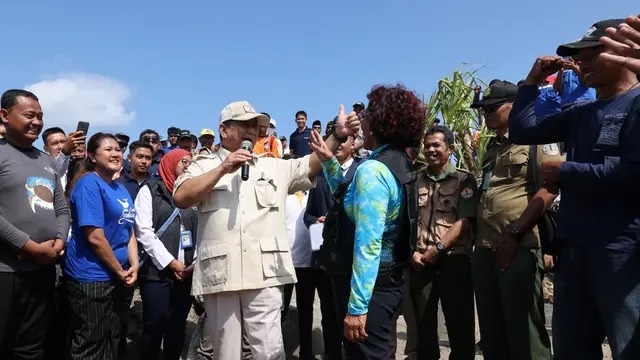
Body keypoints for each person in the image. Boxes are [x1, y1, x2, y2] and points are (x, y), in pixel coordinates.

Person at [172, 100, 359, 359]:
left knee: (268, 350)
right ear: (223, 130)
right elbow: (182, 196)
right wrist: (223, 168)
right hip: (221, 276)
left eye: (255, 126)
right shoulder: (204, 164)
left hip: (265, 274)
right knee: (226, 351)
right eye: (244, 124)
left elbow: (311, 163)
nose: (252, 130)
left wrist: (338, 135)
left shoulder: (273, 166)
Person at [510, 18, 640, 360]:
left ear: (623, 54)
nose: (580, 62)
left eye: (590, 53)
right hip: (575, 250)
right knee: (571, 350)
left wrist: (566, 169)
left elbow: (634, 175)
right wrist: (532, 81)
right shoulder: (583, 113)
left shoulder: (637, 104)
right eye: (577, 56)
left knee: (629, 347)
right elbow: (522, 130)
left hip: (621, 251)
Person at [309, 84, 423, 359]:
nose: (362, 120)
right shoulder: (397, 162)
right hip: (390, 281)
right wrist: (329, 163)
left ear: (380, 123)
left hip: (371, 290)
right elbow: (352, 201)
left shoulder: (373, 170)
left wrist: (358, 308)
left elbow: (368, 243)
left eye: (368, 114)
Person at [0, 89, 70, 359]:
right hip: (6, 272)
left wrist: (59, 242)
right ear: (4, 116)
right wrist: (26, 245)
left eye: (40, 116)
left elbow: (62, 208)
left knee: (31, 350)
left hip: (42, 272)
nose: (37, 122)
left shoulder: (46, 161)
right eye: (29, 115)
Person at [64, 132, 139, 360]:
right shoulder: (89, 184)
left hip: (121, 274)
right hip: (92, 275)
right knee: (91, 340)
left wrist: (134, 264)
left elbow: (129, 230)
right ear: (92, 156)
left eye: (118, 149)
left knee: (112, 337)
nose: (115, 153)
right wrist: (119, 270)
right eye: (108, 149)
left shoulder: (119, 188)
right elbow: (95, 237)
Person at [409, 125, 478, 360]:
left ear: (450, 148)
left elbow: (465, 222)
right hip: (420, 263)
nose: (430, 150)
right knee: (424, 327)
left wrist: (437, 250)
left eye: (436, 145)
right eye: (427, 145)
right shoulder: (415, 181)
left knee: (460, 326)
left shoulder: (464, 180)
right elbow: (407, 221)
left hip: (453, 261)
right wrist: (413, 253)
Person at [135, 148, 198, 360]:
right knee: (154, 326)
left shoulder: (195, 192)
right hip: (156, 272)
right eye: (183, 162)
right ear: (170, 163)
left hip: (185, 274)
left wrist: (191, 266)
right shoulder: (150, 190)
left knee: (177, 327)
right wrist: (171, 263)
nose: (188, 167)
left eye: (191, 163)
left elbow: (204, 230)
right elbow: (144, 232)